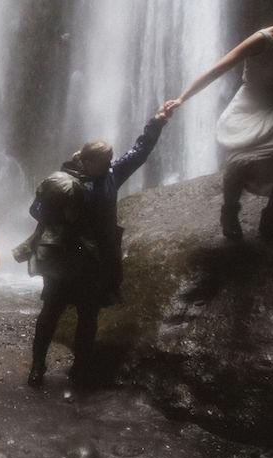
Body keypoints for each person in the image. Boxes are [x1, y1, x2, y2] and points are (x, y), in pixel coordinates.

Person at [15, 106, 172, 389]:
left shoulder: (111, 175)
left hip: (96, 260)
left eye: (111, 158)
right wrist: (63, 215)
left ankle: (81, 368)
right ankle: (38, 365)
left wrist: (157, 122)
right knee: (51, 311)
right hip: (65, 256)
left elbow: (139, 153)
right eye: (105, 160)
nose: (111, 163)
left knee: (89, 315)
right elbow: (36, 209)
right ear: (87, 162)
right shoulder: (63, 181)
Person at [165, 0, 273, 241]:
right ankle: (229, 212)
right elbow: (217, 69)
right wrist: (181, 99)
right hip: (251, 107)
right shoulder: (261, 39)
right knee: (240, 162)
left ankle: (272, 215)